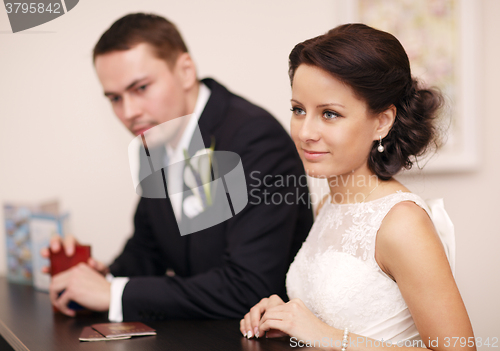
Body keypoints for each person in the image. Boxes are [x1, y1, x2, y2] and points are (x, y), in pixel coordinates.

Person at [42, 13, 313, 322]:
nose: (129, 112)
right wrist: (96, 275)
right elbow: (147, 251)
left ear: (185, 71)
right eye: (115, 98)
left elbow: (248, 288)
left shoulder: (255, 138)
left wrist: (115, 293)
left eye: (141, 88)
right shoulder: (155, 136)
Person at [240, 23, 476, 348]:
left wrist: (323, 334)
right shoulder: (329, 205)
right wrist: (287, 317)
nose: (305, 131)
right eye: (298, 110)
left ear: (382, 121)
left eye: (330, 114)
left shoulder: (401, 223)